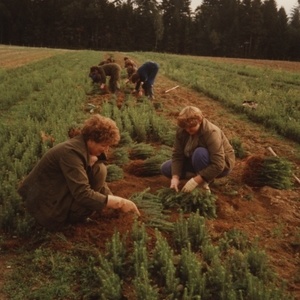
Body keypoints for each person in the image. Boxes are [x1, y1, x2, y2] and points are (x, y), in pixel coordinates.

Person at [18, 114, 140, 231]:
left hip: (53, 194)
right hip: (44, 207)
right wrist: (120, 203)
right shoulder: (70, 153)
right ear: (91, 140)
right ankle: (66, 220)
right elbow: (82, 193)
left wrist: (114, 203)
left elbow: (100, 185)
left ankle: (74, 212)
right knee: (89, 196)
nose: (106, 150)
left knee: (99, 169)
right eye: (104, 145)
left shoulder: (81, 148)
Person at [160, 106, 235, 194]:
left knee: (199, 152)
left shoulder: (211, 132)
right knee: (166, 168)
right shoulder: (182, 131)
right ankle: (201, 175)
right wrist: (175, 178)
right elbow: (177, 155)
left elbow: (218, 164)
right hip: (195, 159)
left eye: (192, 126)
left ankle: (204, 182)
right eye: (185, 127)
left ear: (200, 121)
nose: (188, 130)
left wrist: (195, 181)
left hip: (221, 165)